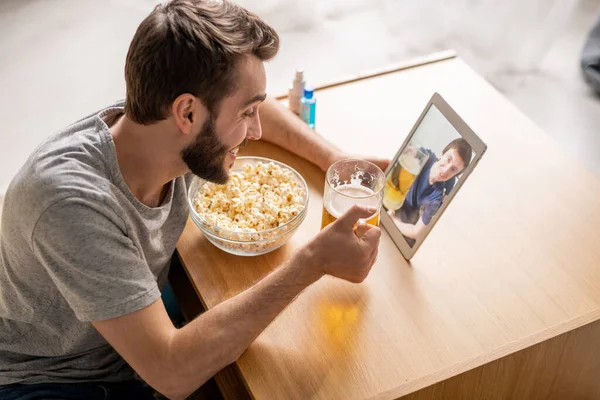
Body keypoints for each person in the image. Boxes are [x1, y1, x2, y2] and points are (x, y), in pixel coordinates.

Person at [0, 1, 388, 399]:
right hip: (51, 379)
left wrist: (332, 159)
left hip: (124, 346)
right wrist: (312, 261)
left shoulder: (157, 124)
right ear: (187, 112)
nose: (254, 130)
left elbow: (250, 103)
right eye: (246, 114)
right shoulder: (69, 206)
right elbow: (171, 374)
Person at [387, 138, 472, 245]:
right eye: (448, 159)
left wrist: (393, 220)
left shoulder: (436, 198)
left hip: (402, 217)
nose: (445, 170)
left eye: (453, 170)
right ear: (443, 153)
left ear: (455, 175)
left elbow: (415, 232)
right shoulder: (423, 157)